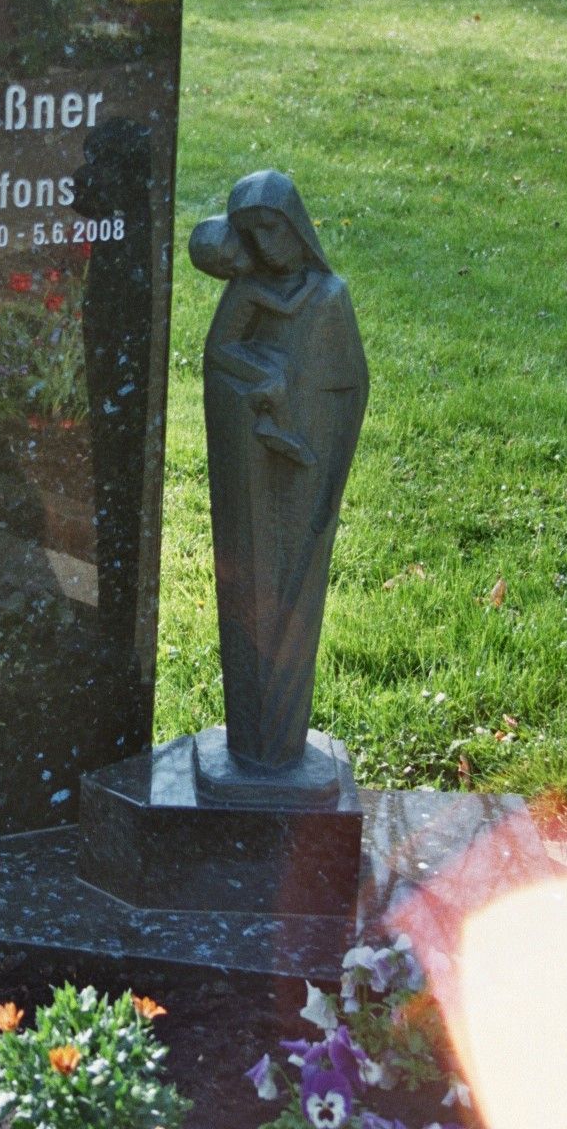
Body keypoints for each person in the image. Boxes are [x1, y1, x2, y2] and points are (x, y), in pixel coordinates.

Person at [189, 171, 369, 768]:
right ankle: (254, 745)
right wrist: (262, 388)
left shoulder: (328, 297)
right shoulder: (246, 293)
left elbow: (349, 386)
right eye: (253, 233)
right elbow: (218, 356)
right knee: (251, 582)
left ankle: (280, 747)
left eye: (274, 228)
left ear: (297, 225)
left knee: (296, 585)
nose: (267, 245)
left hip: (306, 466)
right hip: (252, 468)